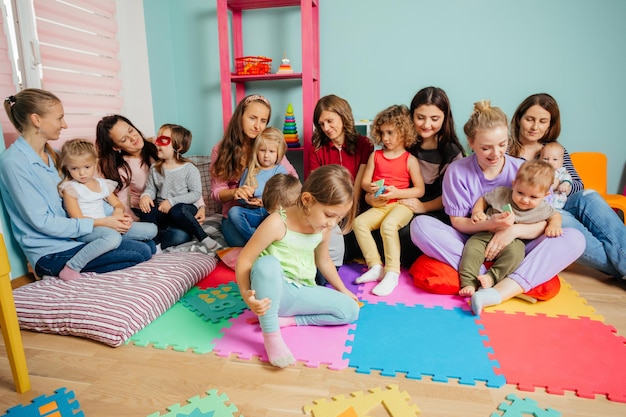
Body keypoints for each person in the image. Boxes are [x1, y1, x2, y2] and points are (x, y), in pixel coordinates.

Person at [410, 100, 585, 315]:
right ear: (471, 143)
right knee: (420, 226)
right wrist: (489, 224)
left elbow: (545, 219)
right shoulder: (457, 171)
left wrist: (513, 231)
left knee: (575, 239)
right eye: (486, 148)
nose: (496, 153)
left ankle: (497, 292)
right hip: (471, 242)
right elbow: (458, 223)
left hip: (518, 244)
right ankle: (495, 278)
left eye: (502, 144)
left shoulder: (522, 169)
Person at [0, 89, 152, 278]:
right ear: (36, 120)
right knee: (141, 251)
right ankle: (62, 271)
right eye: (59, 118)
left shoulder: (55, 155)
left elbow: (85, 195)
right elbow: (42, 222)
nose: (64, 124)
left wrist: (116, 217)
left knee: (149, 243)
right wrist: (102, 223)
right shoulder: (14, 163)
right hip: (51, 252)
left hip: (76, 237)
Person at [235, 164, 359, 368]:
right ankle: (272, 335)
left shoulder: (323, 229)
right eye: (329, 215)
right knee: (267, 264)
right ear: (307, 200)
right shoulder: (277, 222)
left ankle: (288, 321)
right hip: (272, 293)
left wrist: (343, 290)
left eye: (339, 217)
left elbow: (324, 260)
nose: (332, 223)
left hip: (301, 292)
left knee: (351, 311)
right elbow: (245, 260)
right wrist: (247, 295)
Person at [509, 93, 625, 279]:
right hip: (531, 209)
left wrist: (560, 184)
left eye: (542, 121)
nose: (534, 127)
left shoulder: (555, 149)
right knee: (563, 219)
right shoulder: (506, 149)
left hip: (561, 200)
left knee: (590, 196)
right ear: (519, 119)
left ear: (550, 124)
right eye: (529, 119)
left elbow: (578, 184)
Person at [367, 87, 466, 267]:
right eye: (420, 117)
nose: (426, 125)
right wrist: (373, 196)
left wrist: (423, 206)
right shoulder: (402, 144)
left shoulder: (452, 152)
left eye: (434, 119)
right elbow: (384, 178)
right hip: (398, 205)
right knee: (371, 228)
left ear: (445, 118)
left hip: (434, 210)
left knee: (408, 235)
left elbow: (453, 197)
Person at [56, 139, 158, 280]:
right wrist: (109, 222)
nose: (81, 173)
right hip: (86, 229)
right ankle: (72, 266)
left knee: (151, 229)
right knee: (113, 237)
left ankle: (131, 242)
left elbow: (118, 205)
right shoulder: (71, 188)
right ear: (67, 167)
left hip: (108, 224)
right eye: (74, 168)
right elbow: (78, 220)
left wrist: (118, 217)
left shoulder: (101, 184)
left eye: (87, 167)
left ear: (95, 162)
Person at [96, 114, 202, 249]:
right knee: (180, 236)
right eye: (124, 139)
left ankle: (153, 236)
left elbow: (184, 174)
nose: (133, 138)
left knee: (183, 226)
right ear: (116, 147)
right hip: (148, 212)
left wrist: (201, 206)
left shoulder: (155, 146)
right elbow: (122, 203)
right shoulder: (123, 169)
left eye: (131, 130)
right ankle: (149, 239)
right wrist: (137, 222)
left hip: (173, 206)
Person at [458, 160, 563, 296]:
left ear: (545, 195)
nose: (525, 200)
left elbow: (555, 215)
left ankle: (491, 277)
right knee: (471, 248)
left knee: (516, 254)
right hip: (486, 234)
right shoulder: (501, 193)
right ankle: (468, 283)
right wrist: (477, 212)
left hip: (514, 242)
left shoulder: (543, 207)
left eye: (533, 197)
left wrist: (554, 225)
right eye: (520, 192)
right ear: (514, 184)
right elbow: (483, 199)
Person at [353, 104, 425, 296]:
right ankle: (375, 266)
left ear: (403, 132)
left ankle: (392, 272)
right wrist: (371, 188)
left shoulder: (409, 159)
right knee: (359, 223)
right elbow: (365, 182)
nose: (385, 138)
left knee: (389, 225)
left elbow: (419, 190)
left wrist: (396, 193)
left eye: (391, 133)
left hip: (401, 205)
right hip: (381, 204)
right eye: (383, 133)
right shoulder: (375, 156)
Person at [211, 94, 298, 247]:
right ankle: (262, 243)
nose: (257, 126)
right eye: (252, 118)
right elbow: (217, 191)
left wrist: (271, 200)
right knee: (238, 241)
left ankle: (262, 243)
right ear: (240, 116)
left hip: (268, 211)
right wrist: (234, 193)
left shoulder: (268, 147)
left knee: (284, 226)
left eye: (263, 121)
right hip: (239, 216)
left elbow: (292, 179)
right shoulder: (220, 150)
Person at [309, 94, 374, 280]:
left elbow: (357, 189)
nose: (326, 128)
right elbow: (316, 187)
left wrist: (344, 215)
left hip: (355, 209)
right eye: (321, 124)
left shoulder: (364, 145)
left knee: (347, 243)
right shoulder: (317, 150)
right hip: (328, 210)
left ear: (343, 116)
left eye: (330, 121)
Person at [138, 124, 220, 254]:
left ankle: (203, 237)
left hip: (183, 208)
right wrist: (146, 196)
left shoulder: (189, 169)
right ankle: (157, 245)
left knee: (177, 210)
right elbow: (150, 188)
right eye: (157, 139)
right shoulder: (155, 168)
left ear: (179, 146)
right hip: (162, 209)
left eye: (163, 140)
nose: (157, 144)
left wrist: (171, 201)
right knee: (146, 211)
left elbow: (195, 193)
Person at [227, 127, 289, 241]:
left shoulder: (280, 170)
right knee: (233, 212)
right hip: (252, 212)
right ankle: (255, 239)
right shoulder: (249, 170)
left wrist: (257, 193)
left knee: (282, 216)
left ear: (278, 153)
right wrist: (247, 198)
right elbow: (241, 197)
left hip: (269, 213)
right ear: (256, 151)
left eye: (271, 151)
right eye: (262, 150)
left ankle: (259, 239)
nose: (266, 155)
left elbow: (280, 194)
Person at [539, 142, 572, 209]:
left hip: (558, 203)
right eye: (545, 159)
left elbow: (567, 177)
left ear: (562, 162)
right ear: (539, 159)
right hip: (542, 204)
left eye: (555, 159)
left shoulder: (561, 171)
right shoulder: (538, 170)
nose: (550, 162)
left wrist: (565, 184)